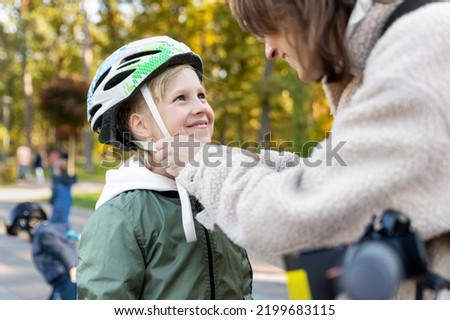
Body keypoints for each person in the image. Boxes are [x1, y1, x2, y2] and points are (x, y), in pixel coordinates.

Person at [153, 0, 450, 299]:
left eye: (269, 26)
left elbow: (302, 213)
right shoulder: (392, 57)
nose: (269, 50)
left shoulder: (420, 52)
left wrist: (204, 163)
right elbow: (335, 173)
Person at [77, 36, 253, 299]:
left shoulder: (217, 193)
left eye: (201, 95)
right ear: (141, 126)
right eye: (181, 98)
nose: (201, 107)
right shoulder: (122, 217)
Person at [31, 221, 78, 300]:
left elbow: (61, 249)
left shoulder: (43, 236)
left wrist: (72, 267)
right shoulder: (42, 234)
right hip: (62, 280)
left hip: (66, 279)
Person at [50, 158, 77, 225]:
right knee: (64, 219)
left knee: (54, 219)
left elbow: (54, 192)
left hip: (58, 201)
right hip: (67, 201)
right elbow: (75, 179)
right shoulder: (69, 178)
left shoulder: (56, 178)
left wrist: (51, 201)